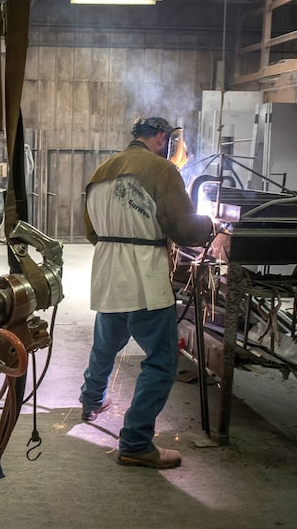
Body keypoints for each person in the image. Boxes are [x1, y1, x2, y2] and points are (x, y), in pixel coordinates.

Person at [78, 117, 213, 469]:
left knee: (106, 343)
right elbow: (184, 228)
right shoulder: (162, 170)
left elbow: (90, 230)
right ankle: (136, 442)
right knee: (162, 360)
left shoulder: (102, 169)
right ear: (162, 138)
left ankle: (91, 402)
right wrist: (209, 226)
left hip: (108, 271)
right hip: (143, 274)